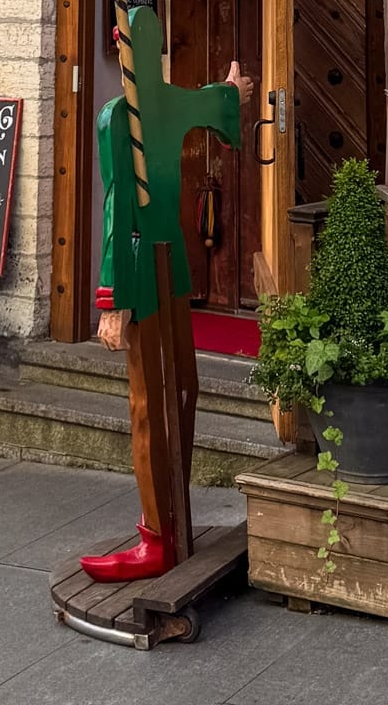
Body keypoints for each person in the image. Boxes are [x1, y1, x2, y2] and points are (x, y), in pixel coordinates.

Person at [79, 35, 253, 582]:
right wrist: (231, 92)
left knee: (155, 400)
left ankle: (161, 534)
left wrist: (113, 300)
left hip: (145, 271)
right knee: (171, 391)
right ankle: (169, 523)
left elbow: (117, 211)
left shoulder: (118, 116)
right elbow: (216, 102)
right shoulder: (161, 103)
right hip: (170, 261)